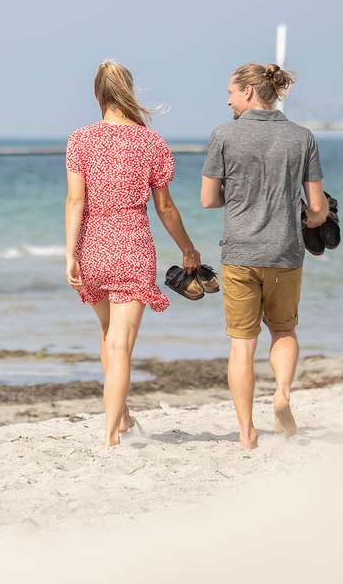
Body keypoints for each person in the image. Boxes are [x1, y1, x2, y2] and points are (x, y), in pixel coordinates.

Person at [64, 59, 204, 447]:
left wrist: (70, 253)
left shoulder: (80, 139)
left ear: (97, 94)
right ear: (129, 92)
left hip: (93, 249)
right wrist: (188, 248)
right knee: (121, 343)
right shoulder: (151, 143)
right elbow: (165, 208)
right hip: (133, 250)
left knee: (109, 334)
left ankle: (122, 417)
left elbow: (75, 201)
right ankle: (111, 433)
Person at [201, 63, 328, 450]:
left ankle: (245, 433)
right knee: (284, 331)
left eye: (231, 92)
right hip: (285, 252)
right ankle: (283, 394)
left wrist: (237, 197)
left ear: (249, 92)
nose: (227, 99)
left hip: (240, 253)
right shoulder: (302, 138)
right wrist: (311, 215)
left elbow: (208, 200)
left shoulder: (223, 135)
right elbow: (318, 208)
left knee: (242, 342)